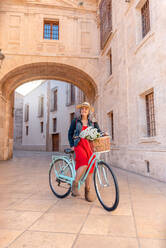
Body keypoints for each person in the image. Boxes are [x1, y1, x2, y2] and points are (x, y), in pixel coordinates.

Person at [68, 102, 101, 202]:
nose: (84, 110)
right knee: (84, 163)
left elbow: (98, 131)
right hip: (79, 145)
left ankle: (87, 191)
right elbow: (70, 133)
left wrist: (104, 133)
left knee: (91, 166)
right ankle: (75, 184)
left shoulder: (92, 122)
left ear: (89, 111)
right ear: (80, 111)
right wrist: (72, 145)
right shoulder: (76, 121)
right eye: (82, 109)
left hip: (89, 146)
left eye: (86, 108)